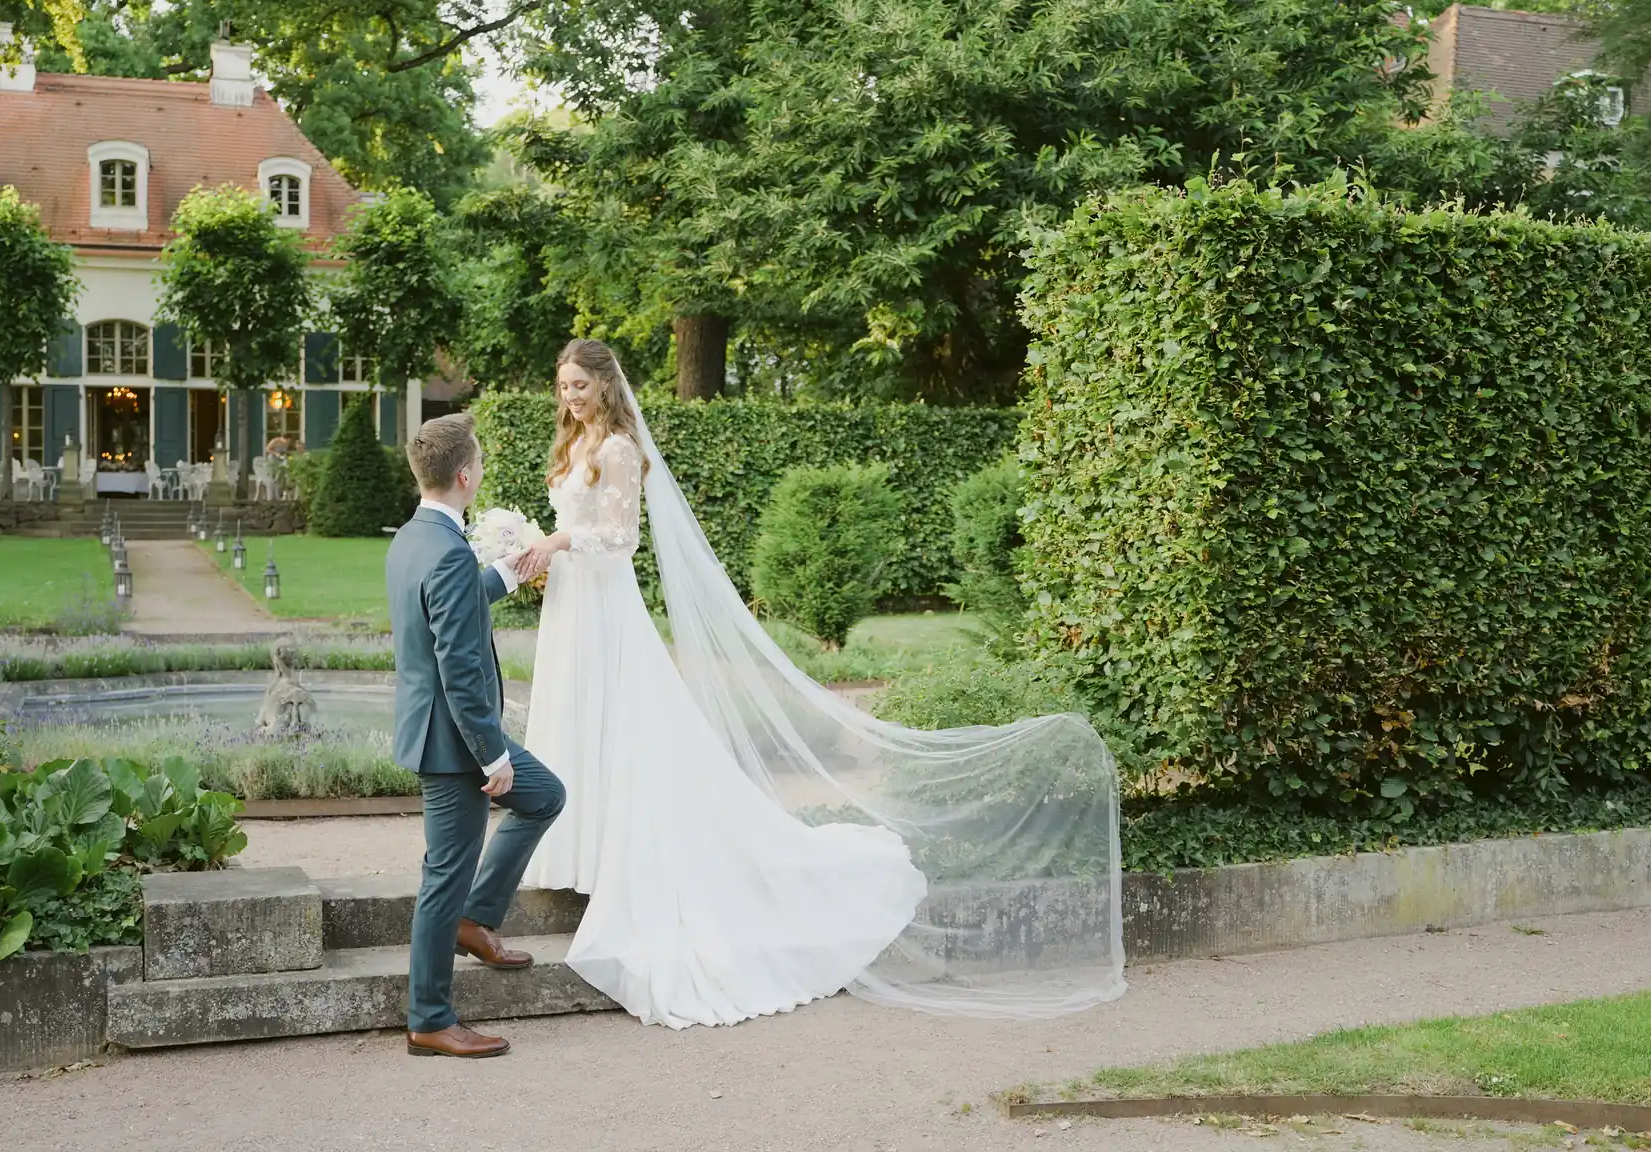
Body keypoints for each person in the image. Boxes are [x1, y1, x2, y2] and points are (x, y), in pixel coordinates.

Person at [506, 340, 1127, 1029]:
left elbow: (619, 539)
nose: (570, 396)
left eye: (580, 385)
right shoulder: (572, 443)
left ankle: (617, 854)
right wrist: (542, 553)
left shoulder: (620, 448)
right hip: (572, 606)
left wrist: (555, 543)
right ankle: (578, 847)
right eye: (563, 386)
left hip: (607, 607)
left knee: (620, 724)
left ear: (605, 385)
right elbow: (575, 529)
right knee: (578, 718)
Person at [386, 413, 566, 1057]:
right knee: (444, 874)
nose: (482, 470)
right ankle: (430, 1019)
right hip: (455, 743)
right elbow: (460, 671)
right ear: (465, 475)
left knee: (544, 795)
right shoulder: (449, 551)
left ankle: (476, 918)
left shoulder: (414, 538)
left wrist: (507, 573)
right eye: (481, 461)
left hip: (443, 730)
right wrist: (492, 757)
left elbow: (448, 603)